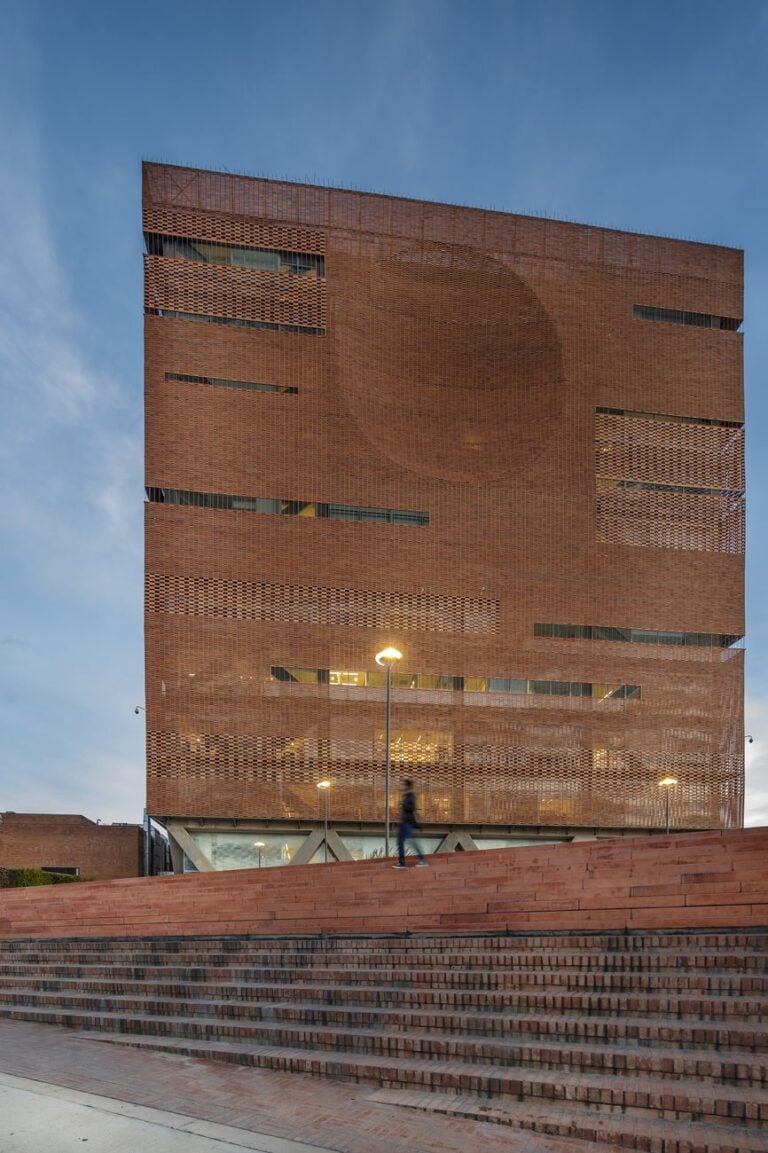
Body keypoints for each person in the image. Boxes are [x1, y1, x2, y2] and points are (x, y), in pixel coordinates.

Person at [393, 778, 428, 868]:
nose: (401, 787)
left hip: (407, 823)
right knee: (400, 842)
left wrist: (403, 804)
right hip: (404, 822)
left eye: (403, 785)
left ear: (407, 786)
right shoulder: (406, 796)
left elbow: (412, 808)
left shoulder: (411, 796)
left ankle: (422, 860)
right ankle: (402, 863)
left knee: (411, 841)